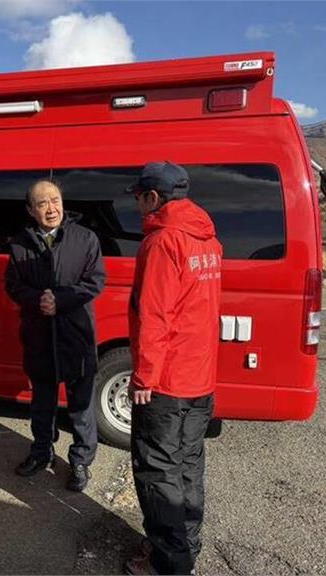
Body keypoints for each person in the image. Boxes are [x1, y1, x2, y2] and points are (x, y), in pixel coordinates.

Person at [123, 162, 223, 575]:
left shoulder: (163, 242)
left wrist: (145, 376)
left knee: (157, 470)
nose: (137, 204)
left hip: (165, 380)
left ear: (154, 197)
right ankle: (187, 542)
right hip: (199, 378)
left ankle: (168, 562)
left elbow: (155, 315)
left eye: (139, 196)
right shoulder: (209, 239)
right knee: (187, 465)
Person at [5, 180, 107, 492]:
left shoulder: (85, 238)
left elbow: (95, 281)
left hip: (75, 334)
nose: (51, 208)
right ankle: (41, 452)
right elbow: (13, 285)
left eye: (55, 200)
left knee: (80, 405)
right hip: (38, 334)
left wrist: (59, 300)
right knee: (42, 402)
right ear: (30, 210)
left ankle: (80, 460)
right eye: (42, 203)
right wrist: (38, 300)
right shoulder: (19, 243)